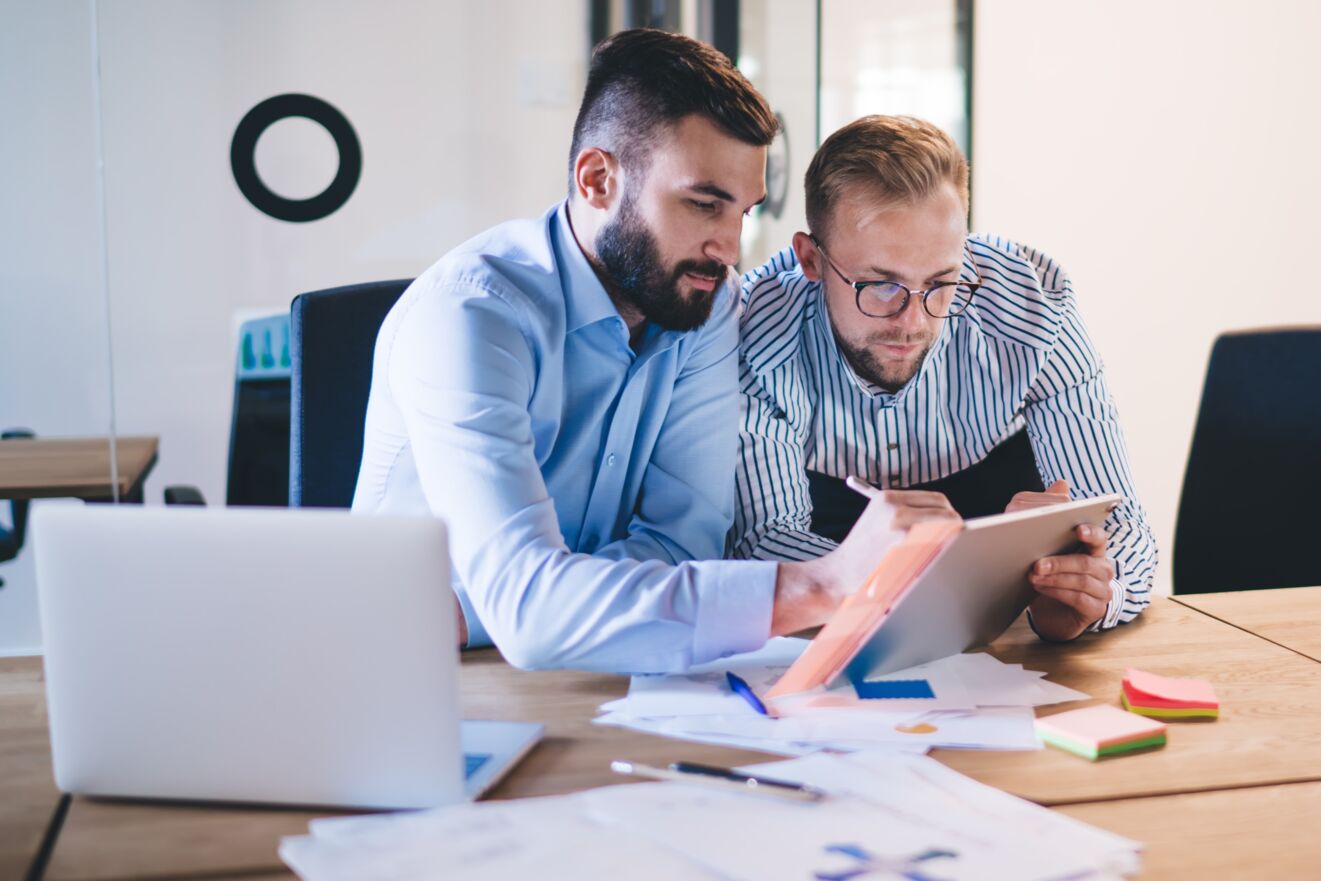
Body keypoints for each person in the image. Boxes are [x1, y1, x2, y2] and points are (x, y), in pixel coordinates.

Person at [353, 31, 934, 672]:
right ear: (598, 179)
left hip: (574, 671)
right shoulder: (469, 316)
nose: (728, 246)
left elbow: (681, 545)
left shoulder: (705, 304)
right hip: (410, 679)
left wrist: (486, 608)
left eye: (742, 212)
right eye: (703, 205)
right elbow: (529, 617)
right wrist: (823, 584)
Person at [729, 115, 1156, 642]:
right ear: (811, 260)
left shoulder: (1034, 308)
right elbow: (762, 545)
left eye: (941, 282)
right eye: (880, 286)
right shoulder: (753, 330)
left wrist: (1090, 593)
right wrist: (911, 589)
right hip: (826, 639)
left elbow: (1120, 526)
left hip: (1008, 657)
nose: (913, 322)